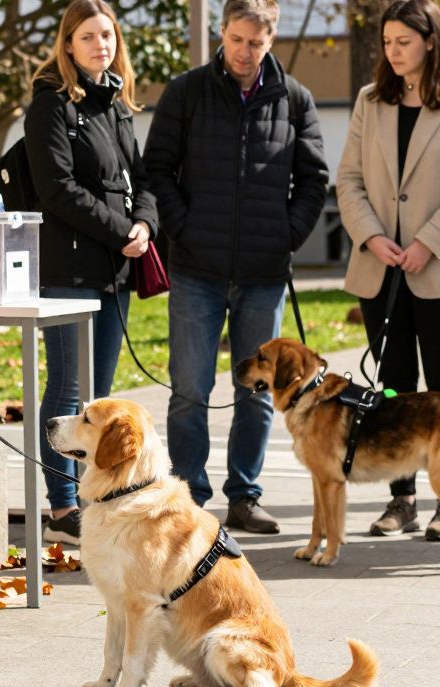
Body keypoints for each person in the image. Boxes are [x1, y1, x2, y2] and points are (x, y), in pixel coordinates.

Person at [142, 0, 328, 533]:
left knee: (258, 392)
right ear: (222, 32)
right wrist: (184, 227)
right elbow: (158, 169)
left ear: (271, 39)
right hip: (196, 269)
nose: (245, 53)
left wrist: (286, 235)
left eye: (257, 43)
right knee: (190, 389)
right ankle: (191, 497)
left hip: (263, 273)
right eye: (237, 40)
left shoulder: (294, 99)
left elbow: (313, 180)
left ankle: (245, 495)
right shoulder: (187, 92)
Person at [336, 0, 440, 541]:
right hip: (381, 266)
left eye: (403, 41)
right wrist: (373, 236)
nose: (392, 51)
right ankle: (401, 499)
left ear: (431, 40)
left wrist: (427, 241)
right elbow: (349, 179)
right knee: (394, 386)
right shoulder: (369, 100)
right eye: (386, 42)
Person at [24, 0, 158, 545]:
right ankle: (60, 505)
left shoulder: (117, 104)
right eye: (87, 36)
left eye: (107, 35)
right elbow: (57, 188)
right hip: (69, 269)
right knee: (69, 387)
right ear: (68, 44)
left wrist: (145, 223)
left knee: (97, 397)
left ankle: (89, 494)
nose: (100, 44)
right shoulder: (52, 105)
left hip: (115, 268)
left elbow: (142, 179)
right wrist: (119, 230)